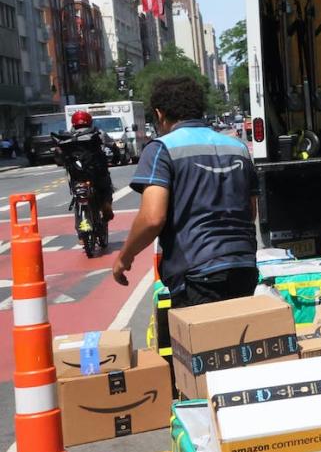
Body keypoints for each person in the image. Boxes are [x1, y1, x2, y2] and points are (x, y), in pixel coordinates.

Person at [113, 76, 260, 308]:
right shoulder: (238, 148)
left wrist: (125, 256)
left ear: (160, 114)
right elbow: (250, 211)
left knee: (200, 342)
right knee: (236, 340)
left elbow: (152, 218)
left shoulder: (161, 149)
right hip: (244, 265)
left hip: (196, 272)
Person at [54, 110, 114, 227]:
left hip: (76, 176)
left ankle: (81, 235)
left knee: (77, 198)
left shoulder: (67, 136)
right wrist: (115, 155)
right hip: (97, 173)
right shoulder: (98, 132)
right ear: (90, 121)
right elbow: (111, 144)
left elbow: (59, 155)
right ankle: (106, 208)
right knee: (106, 188)